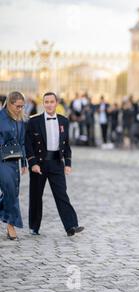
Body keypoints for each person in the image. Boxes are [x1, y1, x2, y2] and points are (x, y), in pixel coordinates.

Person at [25, 92, 84, 237]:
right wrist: (32, 163)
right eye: (46, 102)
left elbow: (67, 144)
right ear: (43, 103)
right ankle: (34, 226)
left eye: (52, 101)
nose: (49, 104)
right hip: (39, 163)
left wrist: (68, 163)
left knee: (62, 194)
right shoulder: (34, 121)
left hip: (57, 162)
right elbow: (28, 144)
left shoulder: (64, 121)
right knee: (36, 196)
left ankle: (71, 226)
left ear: (56, 103)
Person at [0, 92, 28, 241]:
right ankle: (12, 226)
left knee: (13, 192)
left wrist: (24, 162)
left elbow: (22, 142)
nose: (20, 109)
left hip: (14, 161)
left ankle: (9, 223)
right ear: (9, 104)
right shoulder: (0, 117)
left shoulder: (20, 119)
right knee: (10, 191)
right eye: (17, 106)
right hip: (1, 160)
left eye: (22, 106)